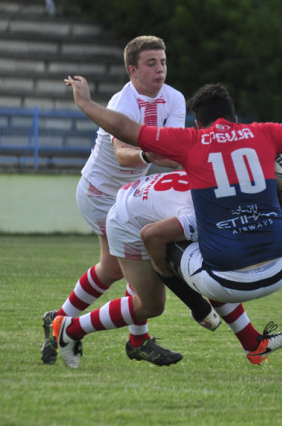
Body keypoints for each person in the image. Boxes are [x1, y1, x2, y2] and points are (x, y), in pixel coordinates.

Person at [58, 77, 282, 364]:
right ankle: (72, 327)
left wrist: (85, 103)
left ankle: (245, 338)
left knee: (201, 257)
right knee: (153, 298)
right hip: (130, 218)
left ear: (198, 125)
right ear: (235, 119)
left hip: (186, 243)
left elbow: (126, 129)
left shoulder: (193, 142)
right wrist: (278, 189)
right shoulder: (262, 133)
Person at [42, 36, 208, 367]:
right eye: (151, 63)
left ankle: (60, 320)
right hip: (100, 193)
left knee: (117, 266)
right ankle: (133, 340)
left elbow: (173, 149)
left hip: (131, 194)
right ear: (132, 70)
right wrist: (150, 154)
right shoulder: (123, 102)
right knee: (133, 262)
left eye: (163, 62)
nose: (160, 69)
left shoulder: (174, 98)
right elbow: (122, 154)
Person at [52, 170, 282, 368]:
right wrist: (196, 304)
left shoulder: (224, 189)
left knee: (213, 266)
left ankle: (252, 344)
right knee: (151, 305)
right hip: (129, 222)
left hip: (142, 201)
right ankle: (70, 329)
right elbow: (152, 238)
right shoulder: (207, 217)